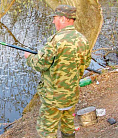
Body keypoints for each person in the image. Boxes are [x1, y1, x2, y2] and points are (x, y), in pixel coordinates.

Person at [24, 5, 91, 138]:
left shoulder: (56, 40)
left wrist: (30, 57)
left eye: (55, 18)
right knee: (68, 125)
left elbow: (40, 64)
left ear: (64, 18)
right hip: (71, 94)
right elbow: (86, 62)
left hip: (53, 98)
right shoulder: (82, 39)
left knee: (46, 131)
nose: (53, 21)